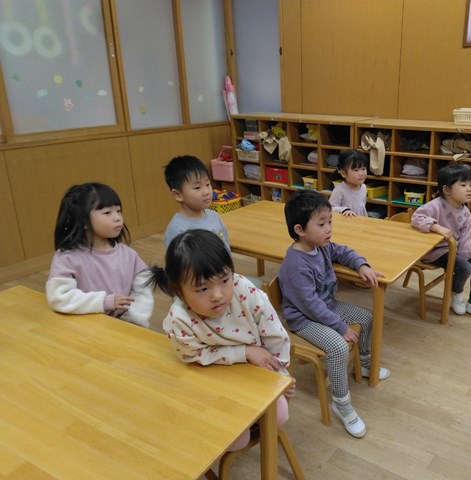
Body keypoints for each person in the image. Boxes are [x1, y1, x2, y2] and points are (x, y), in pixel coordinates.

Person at [147, 229, 294, 451]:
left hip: (257, 373)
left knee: (279, 415)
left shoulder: (244, 290)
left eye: (225, 280)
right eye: (202, 288)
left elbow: (277, 337)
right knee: (235, 440)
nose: (217, 295)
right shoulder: (180, 319)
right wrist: (244, 352)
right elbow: (192, 355)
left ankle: (252, 421)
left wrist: (281, 376)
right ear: (179, 291)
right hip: (214, 377)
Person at [278, 189, 389, 438]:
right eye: (321, 224)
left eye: (330, 222)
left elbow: (343, 252)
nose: (329, 229)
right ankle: (341, 404)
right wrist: (339, 326)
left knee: (366, 317)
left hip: (326, 307)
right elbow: (310, 306)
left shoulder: (321, 245)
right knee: (338, 347)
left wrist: (361, 265)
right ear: (300, 230)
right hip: (304, 319)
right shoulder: (296, 265)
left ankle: (365, 363)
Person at [46, 183, 153, 327]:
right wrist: (103, 302)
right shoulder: (67, 257)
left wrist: (132, 319)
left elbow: (143, 294)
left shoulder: (129, 255)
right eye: (107, 213)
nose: (117, 218)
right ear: (83, 221)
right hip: (85, 326)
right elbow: (59, 298)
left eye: (118, 211)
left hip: (124, 327)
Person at [411, 162, 471, 324]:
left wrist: (466, 255)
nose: (469, 189)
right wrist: (435, 227)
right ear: (447, 190)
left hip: (452, 249)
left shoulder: (465, 213)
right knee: (465, 267)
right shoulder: (435, 205)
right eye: (463, 185)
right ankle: (456, 293)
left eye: (470, 185)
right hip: (434, 251)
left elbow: (465, 239)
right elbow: (416, 218)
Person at [163, 154, 229, 250]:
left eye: (207, 184)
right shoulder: (177, 230)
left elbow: (226, 248)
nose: (206, 192)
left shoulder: (214, 216)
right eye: (197, 187)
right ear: (178, 195)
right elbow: (177, 259)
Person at [329, 149, 368, 217]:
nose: (361, 173)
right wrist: (344, 210)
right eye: (356, 170)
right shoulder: (339, 190)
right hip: (346, 221)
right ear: (343, 173)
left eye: (363, 169)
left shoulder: (364, 187)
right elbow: (330, 208)